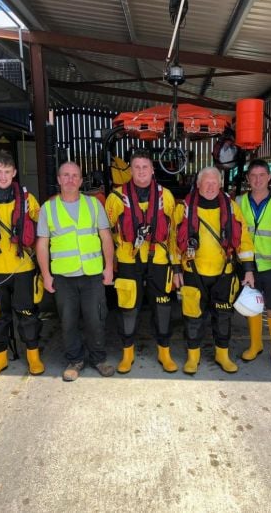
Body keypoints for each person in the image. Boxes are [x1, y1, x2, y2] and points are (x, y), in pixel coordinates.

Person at [36, 161, 115, 381]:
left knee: (96, 319)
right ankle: (75, 360)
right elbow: (42, 243)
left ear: (81, 181)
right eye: (66, 175)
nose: (70, 179)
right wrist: (46, 275)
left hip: (92, 275)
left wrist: (109, 268)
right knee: (68, 321)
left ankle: (98, 359)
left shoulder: (93, 205)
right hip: (63, 277)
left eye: (75, 175)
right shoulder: (48, 209)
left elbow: (105, 237)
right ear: (59, 179)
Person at [174, 166, 255, 374]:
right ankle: (193, 357)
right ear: (198, 184)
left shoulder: (231, 207)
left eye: (214, 182)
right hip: (193, 272)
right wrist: (176, 269)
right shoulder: (183, 208)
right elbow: (173, 240)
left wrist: (247, 269)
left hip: (224, 273)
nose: (210, 186)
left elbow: (243, 239)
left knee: (223, 316)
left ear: (220, 184)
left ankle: (222, 355)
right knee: (193, 317)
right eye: (206, 182)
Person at [0, 150, 44, 380]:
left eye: (7, 172)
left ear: (14, 172)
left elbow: (43, 229)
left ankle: (34, 357)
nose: (3, 176)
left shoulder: (28, 199)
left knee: (28, 315)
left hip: (23, 269)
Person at [105, 150, 178, 374]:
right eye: (136, 167)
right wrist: (110, 263)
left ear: (152, 169)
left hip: (159, 260)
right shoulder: (115, 198)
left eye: (145, 167)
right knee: (127, 308)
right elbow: (106, 232)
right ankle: (127, 354)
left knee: (163, 307)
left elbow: (173, 233)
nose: (141, 171)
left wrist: (175, 266)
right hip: (128, 260)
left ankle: (164, 352)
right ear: (130, 170)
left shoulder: (166, 196)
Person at [236, 159, 271, 368]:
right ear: (248, 178)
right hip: (247, 267)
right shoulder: (239, 201)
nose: (257, 180)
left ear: (269, 177)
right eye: (253, 176)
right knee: (252, 306)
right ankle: (255, 345)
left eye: (261, 175)